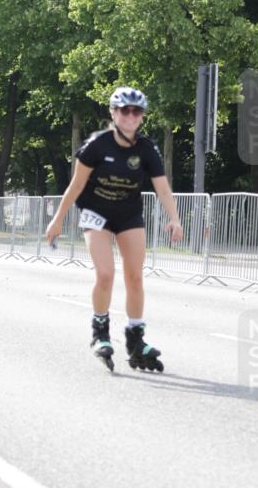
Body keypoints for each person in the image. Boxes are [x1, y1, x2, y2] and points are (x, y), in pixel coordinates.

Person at [45, 87, 183, 372]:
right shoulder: (97, 145)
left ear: (142, 116)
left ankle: (135, 338)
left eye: (136, 111)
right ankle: (100, 330)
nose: (130, 116)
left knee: (134, 277)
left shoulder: (146, 148)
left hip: (128, 214)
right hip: (96, 213)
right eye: (124, 110)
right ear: (113, 113)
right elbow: (77, 185)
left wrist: (175, 218)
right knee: (105, 274)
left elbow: (162, 187)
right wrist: (58, 219)